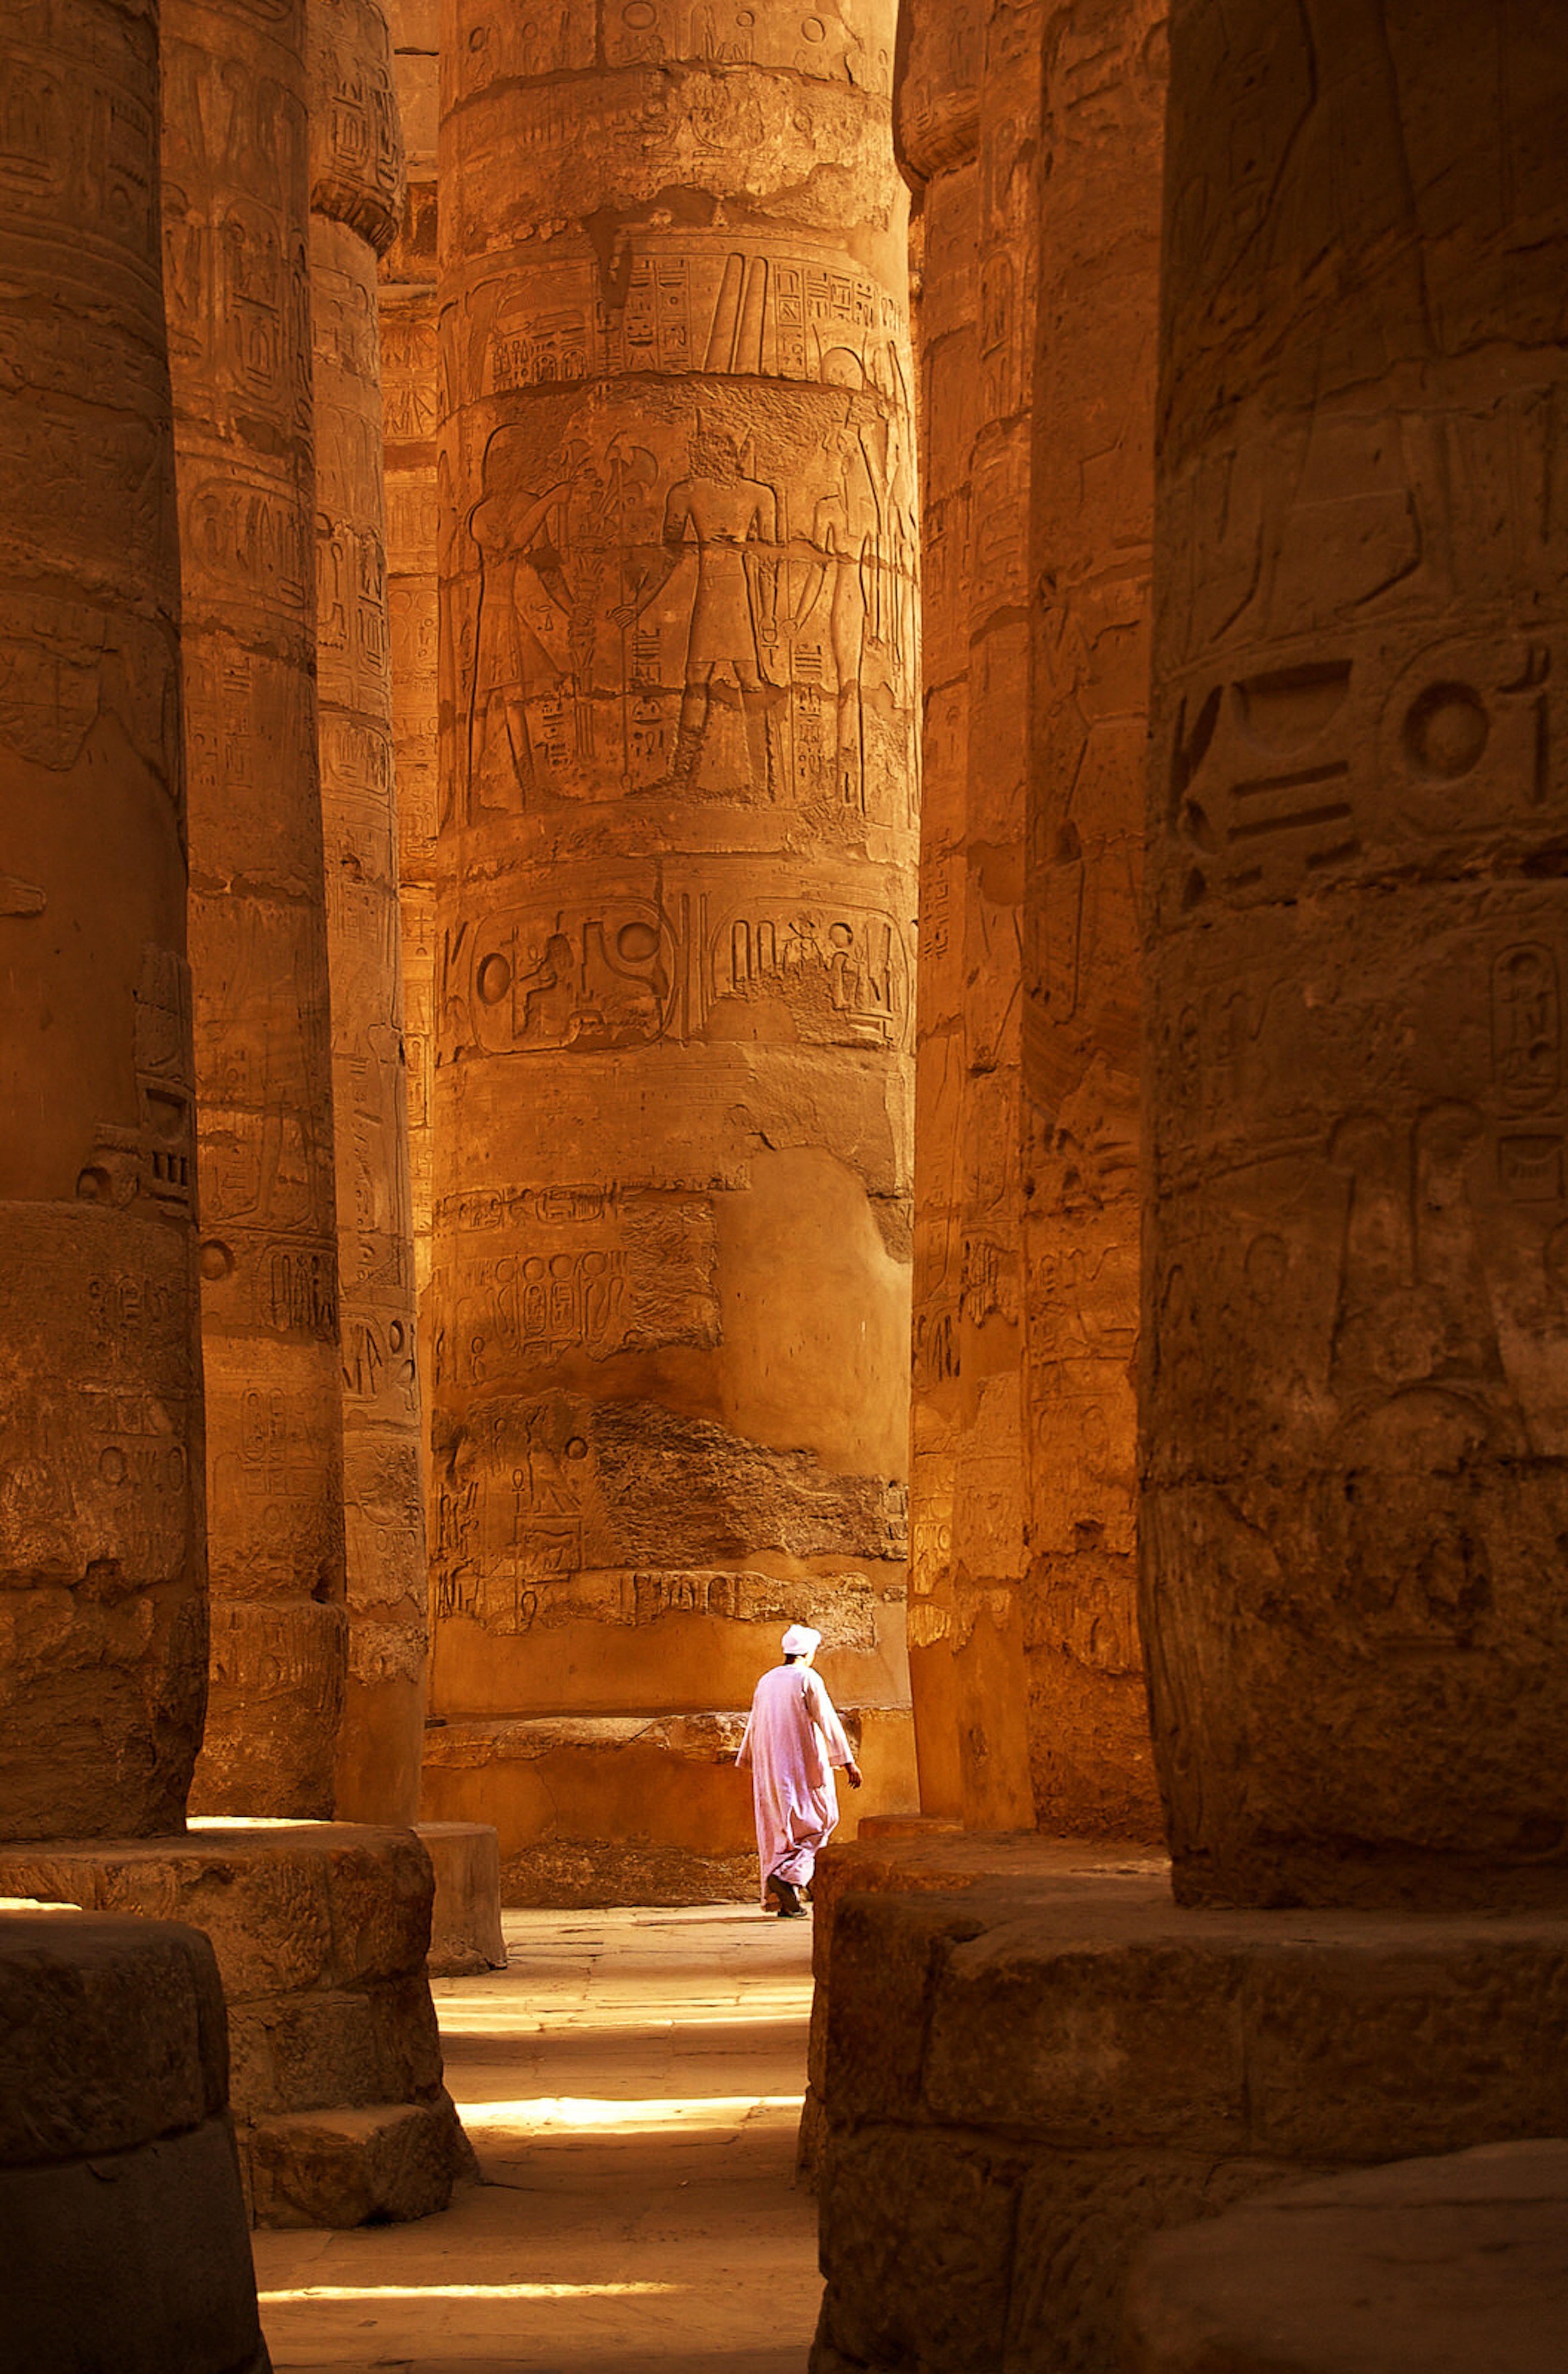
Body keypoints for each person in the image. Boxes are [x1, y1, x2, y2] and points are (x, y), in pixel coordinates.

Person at [737, 1624, 862, 1918]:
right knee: (823, 1820)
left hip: (771, 1769)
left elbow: (755, 1723)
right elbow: (827, 1719)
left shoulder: (766, 1680)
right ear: (808, 1652)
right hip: (803, 1765)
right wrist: (847, 1761)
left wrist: (750, 1760)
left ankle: (789, 1897)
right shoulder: (807, 1677)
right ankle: (788, 1877)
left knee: (782, 1830)